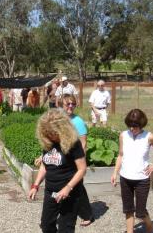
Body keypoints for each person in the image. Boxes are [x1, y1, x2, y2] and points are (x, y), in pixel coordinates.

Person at [28, 109, 87, 233]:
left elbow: (82, 169)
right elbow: (45, 165)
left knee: (66, 228)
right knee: (46, 225)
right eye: (47, 133)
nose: (50, 135)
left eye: (53, 133)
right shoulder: (48, 142)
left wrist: (68, 187)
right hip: (51, 191)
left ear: (62, 129)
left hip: (69, 193)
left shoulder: (73, 143)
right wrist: (35, 185)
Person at [111, 109, 153, 233]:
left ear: (141, 124)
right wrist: (115, 172)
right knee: (128, 209)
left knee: (140, 213)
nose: (132, 128)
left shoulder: (150, 137)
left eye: (135, 126)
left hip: (142, 179)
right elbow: (120, 155)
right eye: (130, 125)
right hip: (125, 178)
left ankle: (150, 229)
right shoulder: (123, 135)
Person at [61, 94, 94, 226]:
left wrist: (81, 162)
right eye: (67, 104)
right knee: (71, 186)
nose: (70, 106)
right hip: (62, 158)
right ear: (61, 105)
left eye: (72, 104)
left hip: (75, 160)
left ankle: (87, 215)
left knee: (77, 187)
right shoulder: (60, 120)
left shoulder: (78, 122)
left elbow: (83, 144)